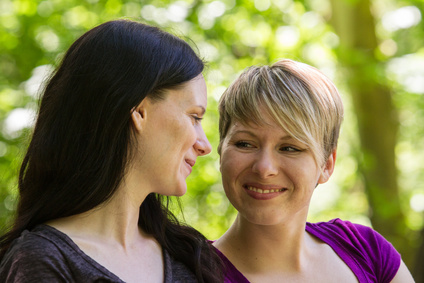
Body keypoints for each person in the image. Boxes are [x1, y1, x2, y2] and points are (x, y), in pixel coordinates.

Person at [0, 19, 223, 283]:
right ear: (140, 111)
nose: (205, 145)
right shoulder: (43, 259)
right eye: (194, 117)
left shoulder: (190, 255)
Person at [213, 59, 415, 282]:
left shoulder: (366, 250)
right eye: (244, 144)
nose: (264, 168)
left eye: (290, 148)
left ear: (327, 165)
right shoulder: (189, 273)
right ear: (221, 150)